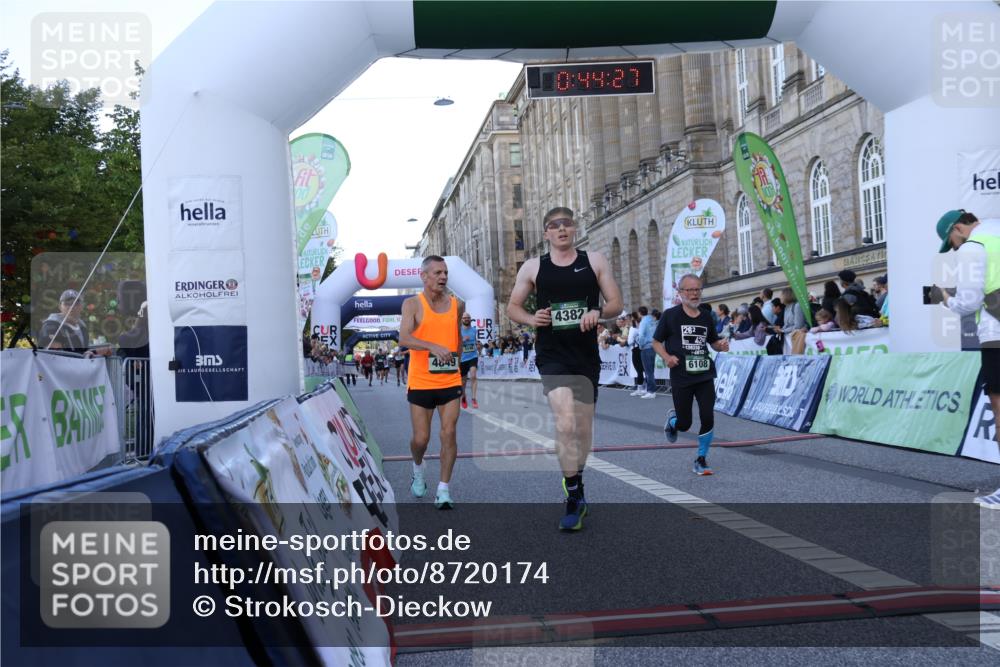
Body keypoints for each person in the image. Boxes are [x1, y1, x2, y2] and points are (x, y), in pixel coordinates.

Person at [507, 206, 623, 531]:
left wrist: (597, 313)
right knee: (566, 422)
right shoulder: (533, 267)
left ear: (574, 229)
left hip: (584, 355)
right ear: (546, 233)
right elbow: (512, 307)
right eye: (554, 226)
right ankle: (572, 495)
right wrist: (532, 319)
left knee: (583, 430)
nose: (561, 229)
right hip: (552, 354)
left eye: (566, 224)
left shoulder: (595, 261)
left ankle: (578, 481)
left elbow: (617, 302)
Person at [929, 210, 1000, 508]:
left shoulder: (973, 246)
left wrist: (944, 297)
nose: (955, 248)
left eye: (952, 243)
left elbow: (969, 302)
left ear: (958, 228)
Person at [399, 256, 464, 509]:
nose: (443, 277)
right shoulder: (412, 304)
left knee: (449, 433)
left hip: (449, 378)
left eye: (445, 272)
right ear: (423, 276)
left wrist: (456, 359)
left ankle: (443, 490)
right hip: (422, 380)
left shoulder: (457, 305)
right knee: (421, 440)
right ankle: (417, 467)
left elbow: (456, 336)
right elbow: (404, 338)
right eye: (437, 272)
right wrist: (432, 346)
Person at [655, 274, 730, 475]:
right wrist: (667, 357)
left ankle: (701, 458)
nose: (694, 293)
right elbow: (655, 342)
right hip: (681, 376)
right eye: (689, 290)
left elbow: (712, 341)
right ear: (680, 293)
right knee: (685, 423)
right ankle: (673, 422)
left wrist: (720, 346)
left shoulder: (706, 316)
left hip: (704, 374)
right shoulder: (670, 316)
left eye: (697, 289)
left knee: (707, 416)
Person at [38, 289, 106, 355]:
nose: (71, 307)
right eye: (67, 304)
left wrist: (93, 353)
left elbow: (83, 350)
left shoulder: (83, 328)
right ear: (60, 307)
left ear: (81, 307)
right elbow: (54, 352)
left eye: (76, 304)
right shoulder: (51, 326)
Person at [636, 305, 658, 399]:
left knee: (648, 370)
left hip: (646, 347)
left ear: (639, 313)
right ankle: (649, 389)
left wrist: (640, 345)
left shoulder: (643, 322)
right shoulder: (652, 320)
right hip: (653, 346)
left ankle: (651, 391)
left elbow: (641, 336)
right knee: (650, 370)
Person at [459, 313, 479, 409]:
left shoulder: (474, 330)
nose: (466, 319)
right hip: (463, 358)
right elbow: (456, 343)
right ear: (462, 319)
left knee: (473, 375)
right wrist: (462, 340)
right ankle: (463, 397)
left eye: (468, 318)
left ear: (470, 319)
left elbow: (475, 341)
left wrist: (478, 346)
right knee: (463, 381)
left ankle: (474, 398)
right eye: (465, 318)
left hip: (473, 356)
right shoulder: (459, 331)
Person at [780, 288, 809, 354]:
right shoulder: (786, 308)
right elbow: (786, 324)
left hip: (797, 338)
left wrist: (783, 331)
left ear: (786, 295)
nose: (780, 297)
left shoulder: (797, 306)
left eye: (781, 295)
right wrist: (780, 329)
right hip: (790, 338)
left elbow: (798, 326)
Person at [627, 309, 646, 395]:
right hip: (643, 348)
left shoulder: (633, 329)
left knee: (639, 369)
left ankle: (640, 388)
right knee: (644, 369)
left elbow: (629, 341)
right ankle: (645, 388)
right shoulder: (642, 326)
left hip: (636, 349)